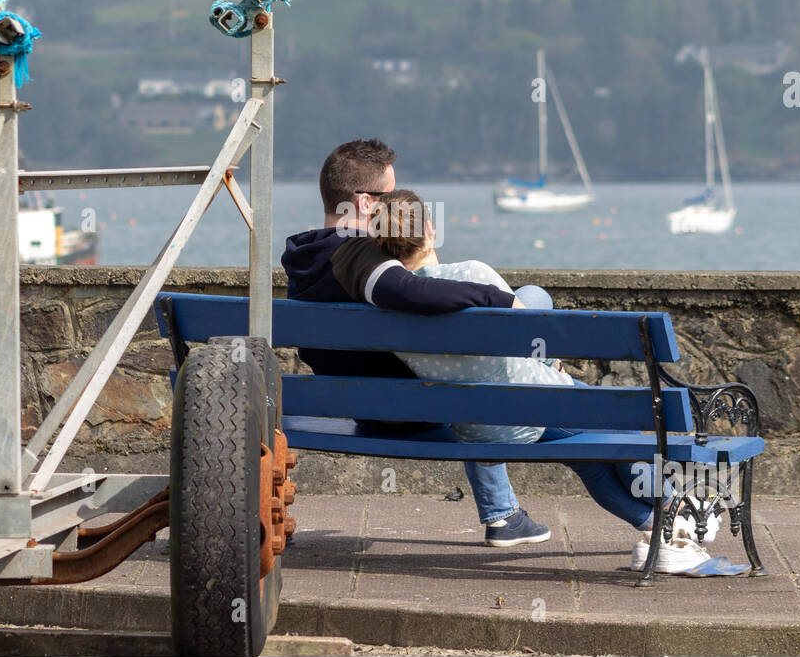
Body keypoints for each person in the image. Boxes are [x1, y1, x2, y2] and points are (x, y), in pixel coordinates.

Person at [366, 188, 720, 572]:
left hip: (477, 430)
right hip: (534, 405)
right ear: (429, 230)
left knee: (590, 460)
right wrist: (553, 365)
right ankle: (677, 506)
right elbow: (527, 334)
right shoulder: (472, 275)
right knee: (619, 430)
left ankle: (660, 525)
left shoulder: (384, 307)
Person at [280, 139, 551, 546]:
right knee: (531, 299)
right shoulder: (356, 256)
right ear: (367, 203)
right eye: (391, 198)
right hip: (413, 405)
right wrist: (500, 298)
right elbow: (409, 292)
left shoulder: (307, 257)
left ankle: (504, 513)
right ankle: (502, 512)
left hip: (357, 402)